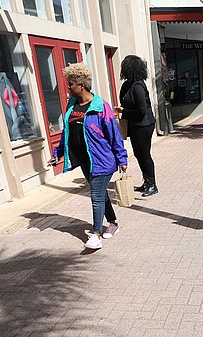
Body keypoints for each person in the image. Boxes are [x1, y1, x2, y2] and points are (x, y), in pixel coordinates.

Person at [49, 63, 127, 250]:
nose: (68, 88)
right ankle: (113, 224)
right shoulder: (72, 105)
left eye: (71, 85)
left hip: (102, 159)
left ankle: (97, 235)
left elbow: (114, 134)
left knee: (96, 195)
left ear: (81, 85)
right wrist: (58, 153)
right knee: (99, 193)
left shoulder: (101, 107)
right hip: (85, 160)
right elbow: (67, 132)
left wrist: (122, 158)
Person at [117, 55, 158, 198]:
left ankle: (152, 184)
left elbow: (141, 110)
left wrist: (124, 111)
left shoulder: (138, 86)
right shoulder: (127, 85)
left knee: (145, 154)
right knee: (138, 154)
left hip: (144, 124)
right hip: (134, 124)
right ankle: (146, 181)